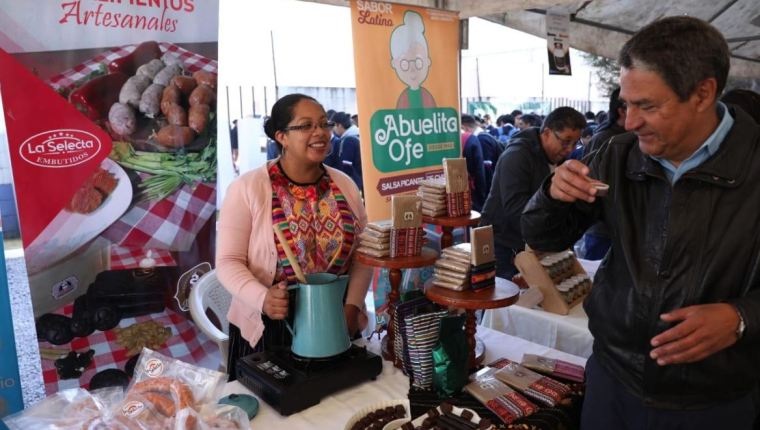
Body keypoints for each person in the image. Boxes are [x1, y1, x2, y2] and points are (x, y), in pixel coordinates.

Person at [521, 16, 760, 429]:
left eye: (647, 106)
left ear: (703, 93)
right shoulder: (618, 154)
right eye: (627, 104)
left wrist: (742, 317)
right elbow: (543, 237)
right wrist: (552, 195)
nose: (630, 122)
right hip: (613, 381)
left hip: (714, 399)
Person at [216, 93, 372, 379]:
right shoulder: (247, 188)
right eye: (306, 125)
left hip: (335, 319)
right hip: (270, 324)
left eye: (323, 124)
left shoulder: (345, 185)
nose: (320, 132)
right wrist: (263, 298)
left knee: (345, 399)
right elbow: (228, 262)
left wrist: (352, 307)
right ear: (282, 137)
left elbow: (363, 253)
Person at [480, 107, 585, 278]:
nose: (570, 149)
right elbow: (515, 209)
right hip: (505, 244)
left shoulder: (560, 159)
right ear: (547, 133)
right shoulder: (517, 155)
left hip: (536, 243)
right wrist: (550, 234)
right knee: (508, 293)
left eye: (575, 143)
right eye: (566, 142)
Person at [391, 11, 436, 109]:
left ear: (427, 61)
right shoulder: (404, 98)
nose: (412, 69)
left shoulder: (426, 96)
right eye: (404, 64)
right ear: (394, 64)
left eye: (418, 63)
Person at [459, 114, 489, 212]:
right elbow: (479, 170)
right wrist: (482, 194)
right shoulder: (471, 139)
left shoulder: (442, 138)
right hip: (470, 190)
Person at [332, 111, 363, 192]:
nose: (333, 130)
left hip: (355, 184)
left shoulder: (348, 140)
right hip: (364, 180)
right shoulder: (359, 134)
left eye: (334, 126)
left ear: (339, 125)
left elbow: (346, 165)